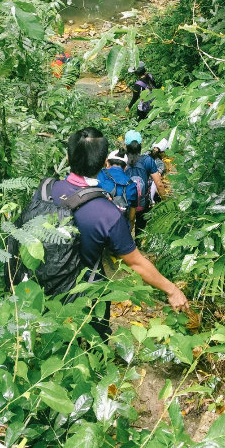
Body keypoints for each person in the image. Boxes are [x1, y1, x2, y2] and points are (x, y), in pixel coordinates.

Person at [54, 127, 188, 338]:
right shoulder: (107, 213)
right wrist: (172, 290)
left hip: (49, 286)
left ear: (68, 157)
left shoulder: (47, 190)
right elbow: (135, 262)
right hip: (89, 293)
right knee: (95, 341)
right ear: (103, 164)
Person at [124, 131, 168, 233]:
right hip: (142, 202)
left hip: (126, 202)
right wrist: (166, 201)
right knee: (140, 229)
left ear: (125, 145)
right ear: (141, 144)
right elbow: (159, 184)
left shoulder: (122, 160)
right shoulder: (148, 160)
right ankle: (139, 244)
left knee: (126, 227)